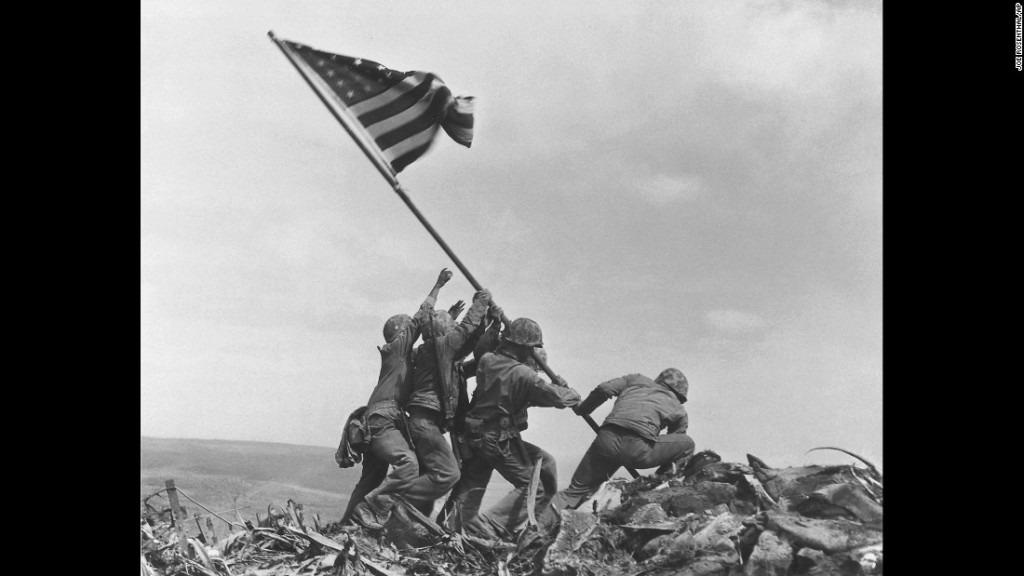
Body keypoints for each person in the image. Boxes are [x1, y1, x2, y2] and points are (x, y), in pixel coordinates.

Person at [354, 285, 495, 523]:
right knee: (448, 474)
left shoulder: (431, 353)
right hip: (420, 422)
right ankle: (382, 503)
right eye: (450, 328)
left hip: (420, 422)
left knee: (428, 480)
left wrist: (490, 323)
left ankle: (399, 521)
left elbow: (469, 345)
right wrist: (481, 301)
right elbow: (465, 332)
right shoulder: (437, 348)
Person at [337, 268, 454, 525]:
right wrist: (437, 286)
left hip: (377, 419)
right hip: (383, 419)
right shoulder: (397, 349)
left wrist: (447, 321)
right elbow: (420, 316)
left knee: (371, 479)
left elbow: (432, 344)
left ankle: (346, 525)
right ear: (401, 334)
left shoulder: (401, 358)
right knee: (409, 464)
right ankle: (372, 510)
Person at [449, 318, 581, 538]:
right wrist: (571, 392)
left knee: (474, 485)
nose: (532, 353)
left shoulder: (488, 361)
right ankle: (492, 526)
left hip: (475, 435)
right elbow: (558, 399)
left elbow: (515, 393)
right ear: (523, 347)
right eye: (531, 348)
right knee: (534, 487)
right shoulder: (524, 375)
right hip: (497, 439)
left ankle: (451, 527)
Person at [538, 368, 695, 530]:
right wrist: (660, 478)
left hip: (606, 441)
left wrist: (584, 409)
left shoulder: (636, 379)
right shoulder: (679, 409)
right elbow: (675, 446)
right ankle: (660, 488)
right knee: (687, 444)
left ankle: (536, 527)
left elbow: (604, 389)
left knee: (573, 493)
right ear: (680, 395)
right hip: (639, 450)